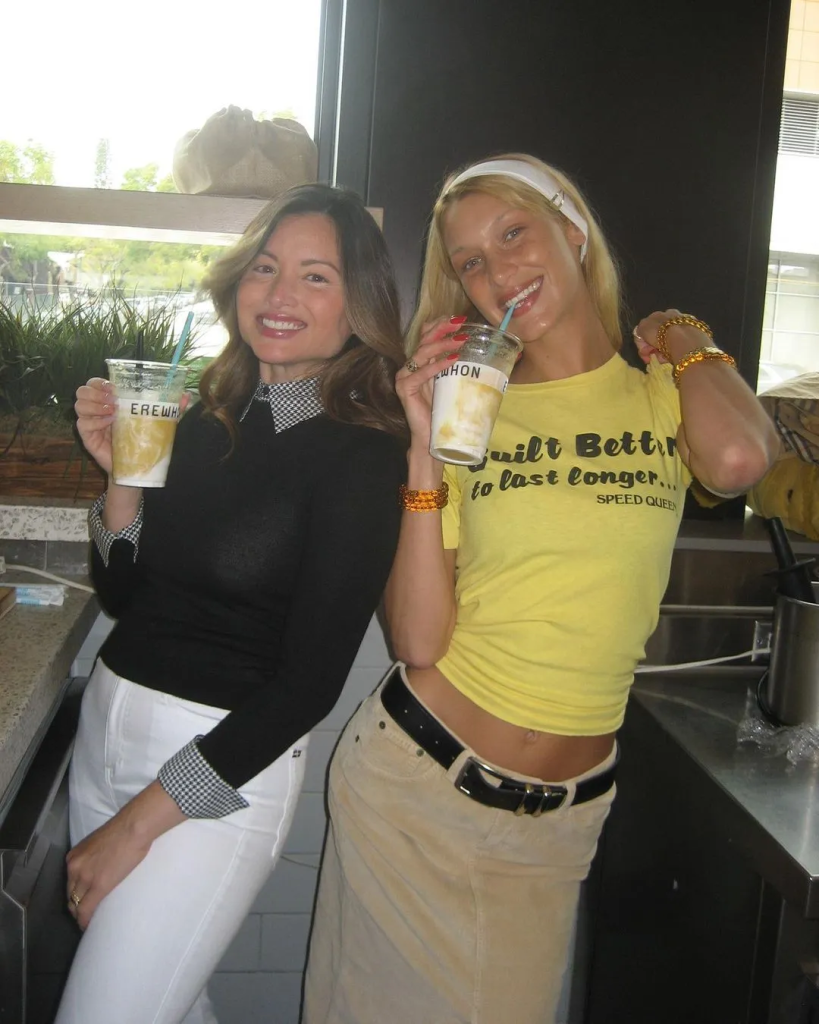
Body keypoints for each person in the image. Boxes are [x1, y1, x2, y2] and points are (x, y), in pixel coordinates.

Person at [302, 154, 780, 1024]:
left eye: (513, 233)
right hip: (416, 787)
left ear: (572, 230)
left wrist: (682, 335)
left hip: (559, 822)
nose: (497, 272)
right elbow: (416, 639)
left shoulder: (662, 393)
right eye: (471, 262)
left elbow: (740, 459)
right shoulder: (468, 411)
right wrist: (421, 454)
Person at [55, 183, 408, 1024]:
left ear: (357, 305)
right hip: (105, 736)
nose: (280, 294)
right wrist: (122, 477)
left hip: (213, 775)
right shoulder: (205, 421)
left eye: (315, 276)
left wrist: (139, 822)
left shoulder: (362, 457)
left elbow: (308, 685)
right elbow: (127, 594)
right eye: (265, 268)